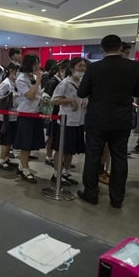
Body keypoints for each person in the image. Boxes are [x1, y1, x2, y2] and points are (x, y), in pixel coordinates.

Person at [77, 34, 139, 208]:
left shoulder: (95, 68)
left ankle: (91, 193)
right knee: (120, 157)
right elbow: (138, 90)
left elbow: (82, 92)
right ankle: (117, 198)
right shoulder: (134, 66)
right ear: (121, 48)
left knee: (93, 156)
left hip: (97, 118)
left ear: (102, 49)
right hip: (122, 119)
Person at [50, 58, 87, 186]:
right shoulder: (65, 83)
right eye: (80, 66)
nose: (83, 68)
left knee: (70, 149)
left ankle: (66, 171)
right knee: (61, 148)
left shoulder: (83, 83)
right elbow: (54, 100)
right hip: (66, 121)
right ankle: (56, 173)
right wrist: (69, 100)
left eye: (84, 66)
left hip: (79, 121)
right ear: (72, 68)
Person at [14, 53, 46, 183]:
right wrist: (38, 81)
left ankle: (22, 166)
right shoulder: (21, 79)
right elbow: (30, 95)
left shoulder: (32, 77)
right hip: (25, 114)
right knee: (25, 144)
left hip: (35, 113)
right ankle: (26, 170)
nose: (38, 66)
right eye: (36, 63)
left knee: (31, 143)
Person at [0, 62, 22, 170]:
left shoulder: (16, 83)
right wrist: (10, 98)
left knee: (10, 139)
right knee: (6, 139)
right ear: (11, 70)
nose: (19, 73)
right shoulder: (6, 83)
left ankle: (6, 158)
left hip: (15, 115)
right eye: (17, 71)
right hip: (6, 117)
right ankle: (1, 160)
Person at [43, 60, 69, 167]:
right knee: (52, 135)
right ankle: (49, 156)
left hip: (60, 113)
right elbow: (49, 98)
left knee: (56, 135)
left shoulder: (61, 80)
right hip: (54, 112)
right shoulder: (54, 81)